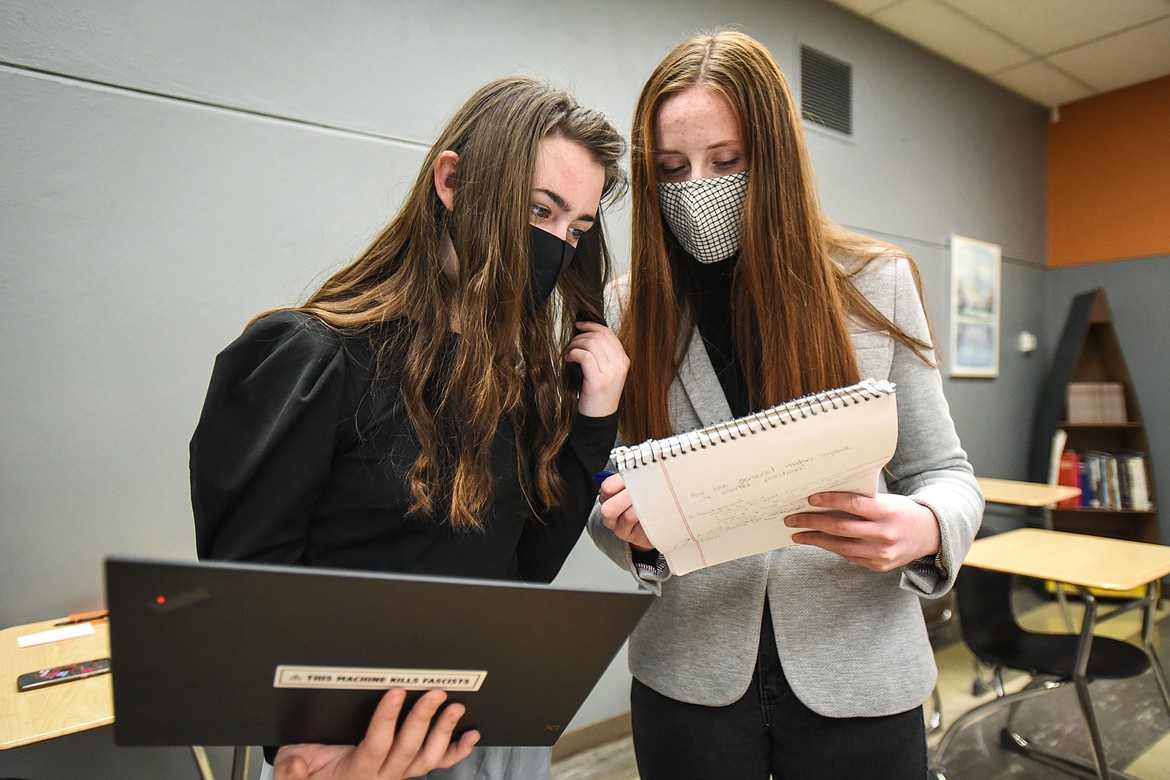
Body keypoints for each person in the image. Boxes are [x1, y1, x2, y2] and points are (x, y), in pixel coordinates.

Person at [190, 75, 629, 780]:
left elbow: (525, 572)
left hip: (486, 736)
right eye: (538, 211)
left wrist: (593, 419)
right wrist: (310, 755)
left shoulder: (513, 382)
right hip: (346, 753)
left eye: (574, 229)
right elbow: (249, 600)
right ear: (452, 182)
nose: (554, 245)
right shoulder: (310, 357)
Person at [589, 30, 984, 779]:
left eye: (727, 162)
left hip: (859, 672)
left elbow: (948, 472)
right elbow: (601, 492)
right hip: (691, 675)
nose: (696, 187)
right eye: (671, 170)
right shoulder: (625, 308)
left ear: (775, 157)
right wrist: (632, 534)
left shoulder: (875, 283)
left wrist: (927, 526)